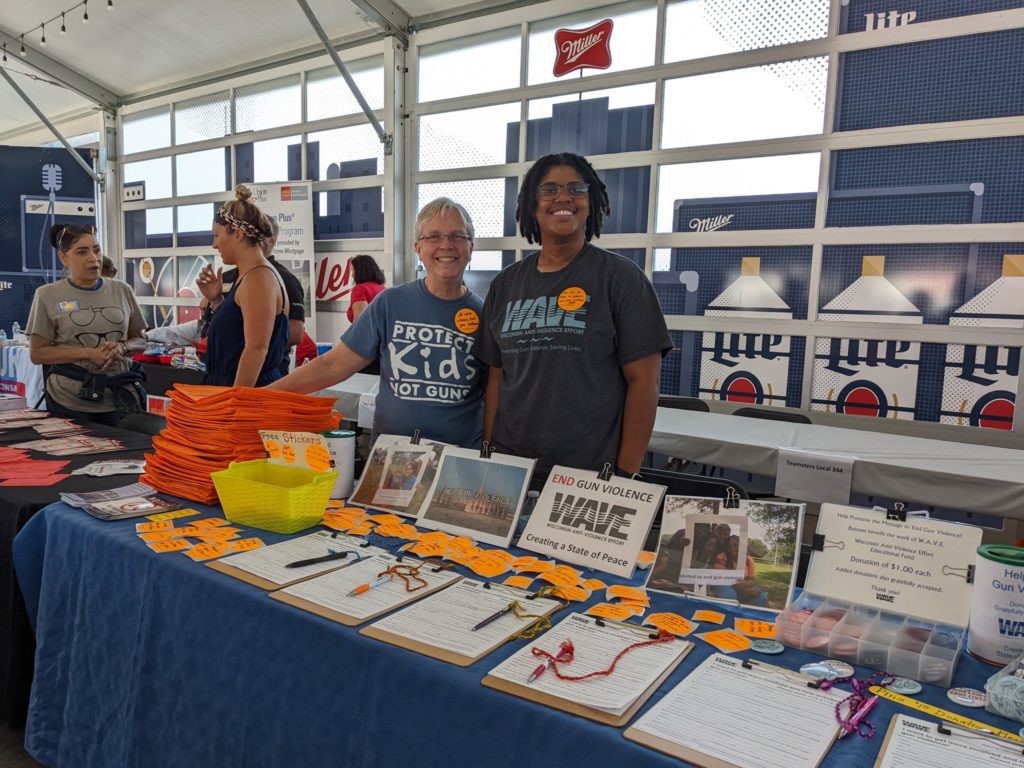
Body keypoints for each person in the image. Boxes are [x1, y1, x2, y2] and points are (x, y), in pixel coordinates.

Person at [477, 152, 672, 483]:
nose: (563, 197)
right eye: (549, 189)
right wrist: (486, 452)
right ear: (531, 205)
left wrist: (626, 473)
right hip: (510, 468)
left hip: (590, 474)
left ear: (591, 202)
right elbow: (496, 378)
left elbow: (645, 384)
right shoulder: (506, 284)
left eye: (576, 189)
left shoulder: (621, 279)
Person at [267, 198, 484, 448]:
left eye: (457, 236)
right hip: (391, 460)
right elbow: (332, 364)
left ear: (471, 246)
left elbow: (496, 392)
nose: (446, 245)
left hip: (458, 462)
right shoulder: (390, 303)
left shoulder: (485, 314)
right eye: (434, 236)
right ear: (417, 248)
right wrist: (262, 395)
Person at [26, 223, 147, 425]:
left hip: (120, 399)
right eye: (82, 252)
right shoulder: (47, 295)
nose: (93, 258)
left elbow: (141, 341)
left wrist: (122, 347)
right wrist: (88, 353)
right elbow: (37, 353)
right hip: (69, 400)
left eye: (96, 250)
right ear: (64, 258)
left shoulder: (122, 290)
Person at [199, 185, 290, 387]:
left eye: (216, 235)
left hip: (246, 396)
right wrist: (217, 300)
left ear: (238, 234)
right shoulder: (251, 275)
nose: (214, 245)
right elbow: (238, 333)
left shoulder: (258, 278)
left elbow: (256, 349)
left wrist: (235, 403)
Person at [347, 254, 387, 324]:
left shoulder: (360, 289)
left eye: (353, 270)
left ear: (360, 271)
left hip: (367, 334)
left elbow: (360, 323)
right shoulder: (382, 287)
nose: (352, 274)